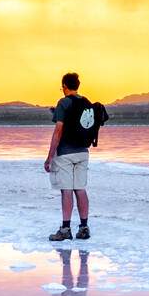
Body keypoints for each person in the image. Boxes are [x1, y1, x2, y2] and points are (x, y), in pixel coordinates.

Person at [44, 71, 95, 241]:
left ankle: (65, 229)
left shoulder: (64, 103)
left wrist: (50, 156)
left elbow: (58, 131)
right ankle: (84, 227)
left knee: (66, 190)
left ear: (65, 86)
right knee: (80, 189)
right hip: (83, 152)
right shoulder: (87, 102)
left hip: (65, 153)